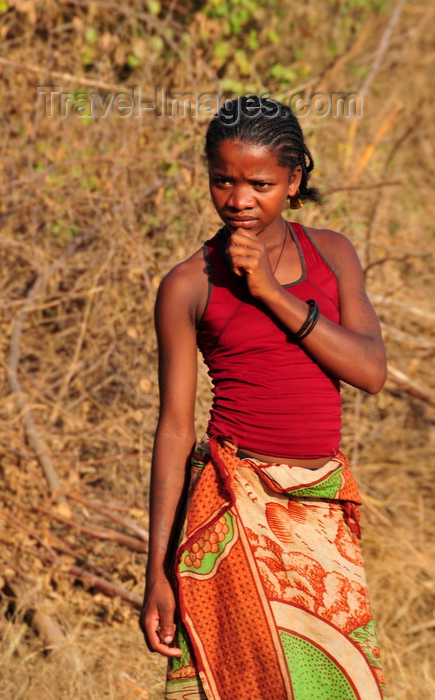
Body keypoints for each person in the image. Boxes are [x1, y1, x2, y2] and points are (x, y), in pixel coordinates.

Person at [140, 95, 387, 700]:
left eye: (260, 183)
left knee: (335, 685)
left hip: (322, 511)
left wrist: (274, 294)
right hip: (233, 508)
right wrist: (157, 570)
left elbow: (371, 370)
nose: (239, 200)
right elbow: (175, 428)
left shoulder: (331, 254)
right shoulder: (187, 285)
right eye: (222, 181)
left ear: (294, 179)